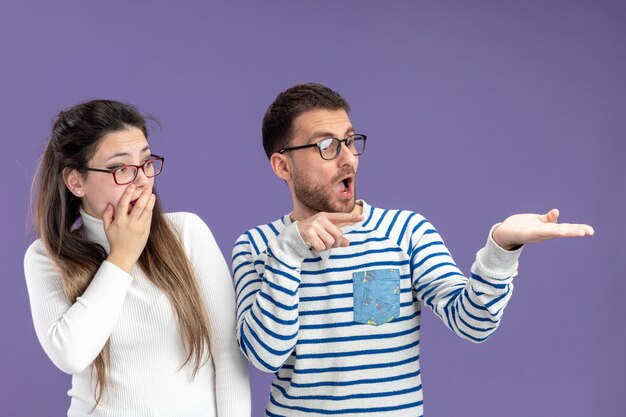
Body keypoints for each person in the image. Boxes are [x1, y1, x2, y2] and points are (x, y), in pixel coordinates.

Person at [232, 83, 594, 416]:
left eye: (349, 141)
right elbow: (265, 355)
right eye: (327, 146)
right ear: (283, 165)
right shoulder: (257, 246)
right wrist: (289, 252)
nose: (348, 159)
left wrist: (502, 246)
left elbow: (473, 322)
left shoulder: (406, 232)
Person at [24, 100, 250, 417]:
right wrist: (122, 257)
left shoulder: (186, 232)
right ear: (76, 181)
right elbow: (71, 354)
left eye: (146, 163)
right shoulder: (47, 258)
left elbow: (228, 357)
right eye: (121, 169)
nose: (142, 179)